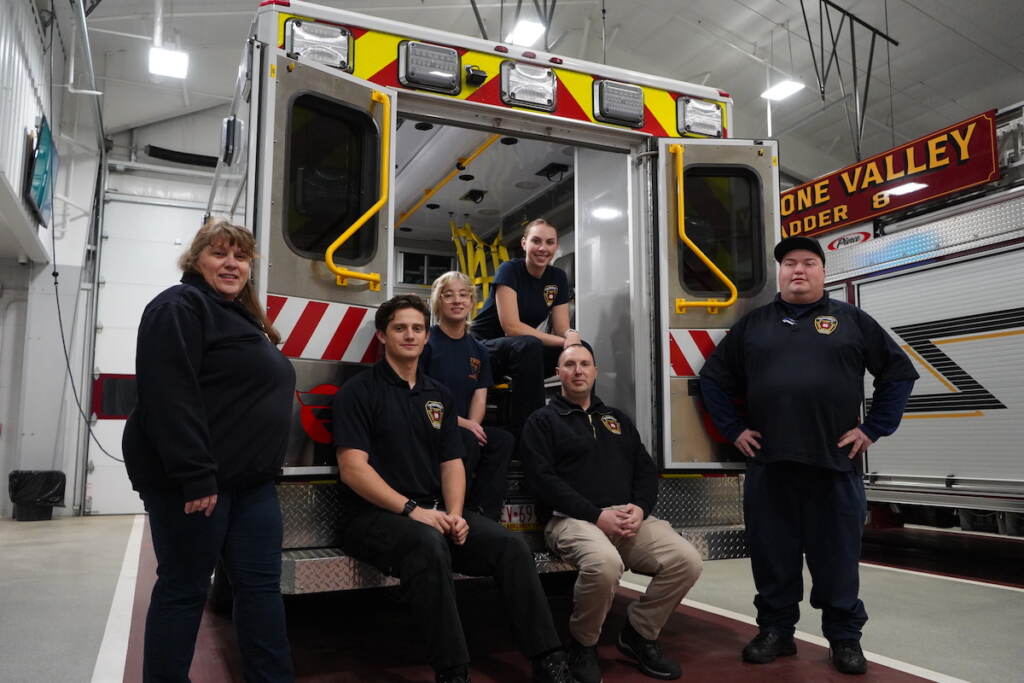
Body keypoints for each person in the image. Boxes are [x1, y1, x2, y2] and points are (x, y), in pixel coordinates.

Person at [699, 236, 919, 676]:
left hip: (834, 467)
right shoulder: (753, 325)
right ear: (779, 273)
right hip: (770, 467)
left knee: (836, 561)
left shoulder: (853, 321)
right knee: (772, 558)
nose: (798, 270)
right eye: (790, 264)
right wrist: (735, 430)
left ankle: (844, 639)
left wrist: (874, 427)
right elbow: (713, 381)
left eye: (809, 263)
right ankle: (776, 632)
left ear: (823, 271)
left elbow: (899, 373)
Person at [330, 294, 573, 683]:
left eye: (416, 328)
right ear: (382, 336)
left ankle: (549, 658)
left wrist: (457, 514)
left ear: (426, 337)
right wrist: (414, 511)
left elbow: (452, 462)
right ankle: (453, 670)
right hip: (375, 518)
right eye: (399, 328)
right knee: (427, 544)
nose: (410, 335)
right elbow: (353, 470)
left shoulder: (438, 396)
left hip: (435, 512)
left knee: (510, 546)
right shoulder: (358, 393)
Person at [122, 219, 295, 683]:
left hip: (251, 485)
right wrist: (196, 475)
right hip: (199, 485)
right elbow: (168, 394)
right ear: (195, 259)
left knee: (261, 589)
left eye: (240, 256)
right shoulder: (179, 306)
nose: (231, 263)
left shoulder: (239, 316)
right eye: (220, 254)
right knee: (184, 589)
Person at [522, 342, 703, 683]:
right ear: (557, 374)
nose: (578, 371)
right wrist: (595, 515)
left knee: (686, 561)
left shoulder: (616, 419)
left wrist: (640, 508)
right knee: (605, 564)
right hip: (571, 520)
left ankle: (639, 634)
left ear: (595, 371)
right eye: (570, 364)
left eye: (585, 364)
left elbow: (645, 470)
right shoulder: (542, 421)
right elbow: (542, 480)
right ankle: (583, 645)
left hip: (627, 518)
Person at [471, 218, 580, 435]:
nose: (543, 248)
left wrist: (572, 337)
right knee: (529, 346)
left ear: (556, 246)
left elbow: (561, 327)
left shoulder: (557, 276)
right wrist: (564, 341)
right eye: (536, 241)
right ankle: (530, 432)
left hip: (519, 349)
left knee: (582, 349)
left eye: (549, 242)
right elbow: (511, 327)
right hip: (483, 350)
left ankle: (578, 420)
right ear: (524, 244)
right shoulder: (509, 270)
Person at [422, 271, 514, 520]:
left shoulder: (478, 349)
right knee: (465, 438)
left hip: (464, 426)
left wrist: (474, 423)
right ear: (437, 302)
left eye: (464, 295)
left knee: (502, 440)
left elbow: (479, 396)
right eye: (448, 295)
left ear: (472, 302)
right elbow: (418, 392)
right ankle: (457, 509)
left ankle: (485, 512)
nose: (457, 301)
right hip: (432, 423)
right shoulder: (427, 342)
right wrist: (462, 424)